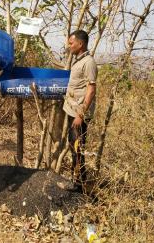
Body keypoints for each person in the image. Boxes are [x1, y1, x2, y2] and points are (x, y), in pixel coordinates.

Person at [60, 29, 98, 192]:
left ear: (80, 44)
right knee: (74, 147)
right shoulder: (79, 60)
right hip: (72, 111)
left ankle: (78, 185)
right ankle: (78, 182)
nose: (69, 46)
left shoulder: (89, 62)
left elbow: (91, 90)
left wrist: (80, 115)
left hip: (78, 115)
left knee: (77, 149)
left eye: (71, 43)